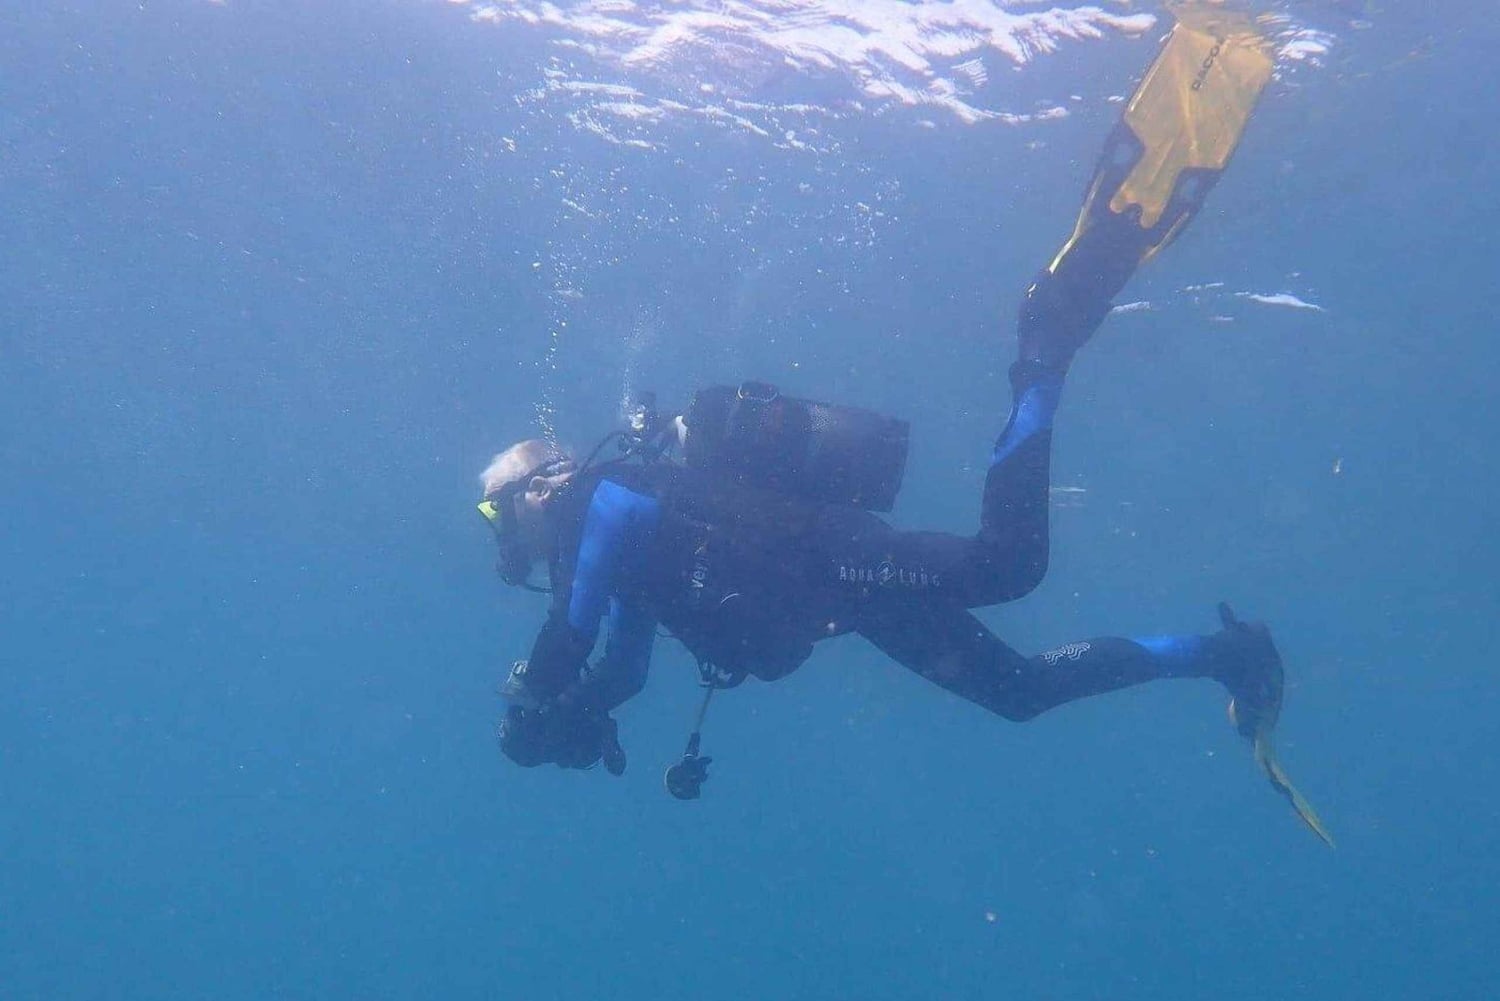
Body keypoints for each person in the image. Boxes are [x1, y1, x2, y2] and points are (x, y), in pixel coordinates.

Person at [476, 3, 1331, 843]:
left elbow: (577, 621)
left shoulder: (605, 494)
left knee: (1011, 565)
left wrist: (539, 689)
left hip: (839, 558)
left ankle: (1044, 348)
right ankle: (1227, 653)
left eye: (496, 517)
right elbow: (621, 663)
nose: (506, 543)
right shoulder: (618, 557)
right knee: (1019, 691)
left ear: (536, 483)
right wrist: (574, 716)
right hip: (843, 600)